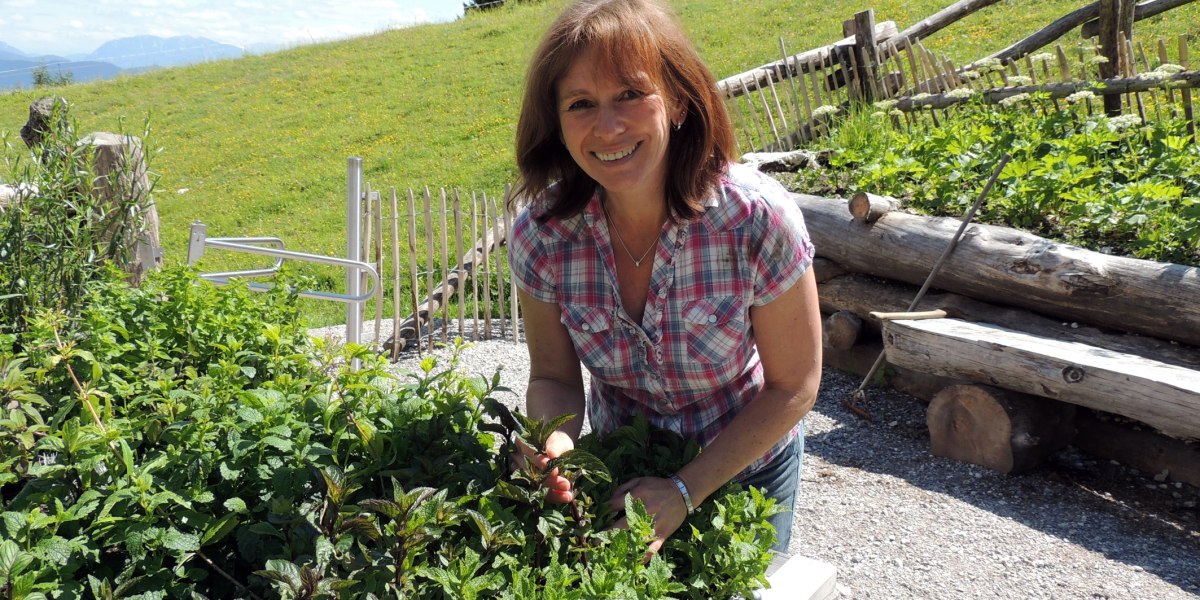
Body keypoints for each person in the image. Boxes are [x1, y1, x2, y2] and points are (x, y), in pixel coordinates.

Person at [506, 0, 822, 555]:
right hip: (624, 459)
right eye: (581, 104)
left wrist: (684, 489)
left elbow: (794, 386)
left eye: (630, 93)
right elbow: (553, 376)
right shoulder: (544, 237)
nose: (608, 126)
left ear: (677, 100)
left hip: (745, 465)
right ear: (557, 126)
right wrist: (553, 439)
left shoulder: (755, 219)